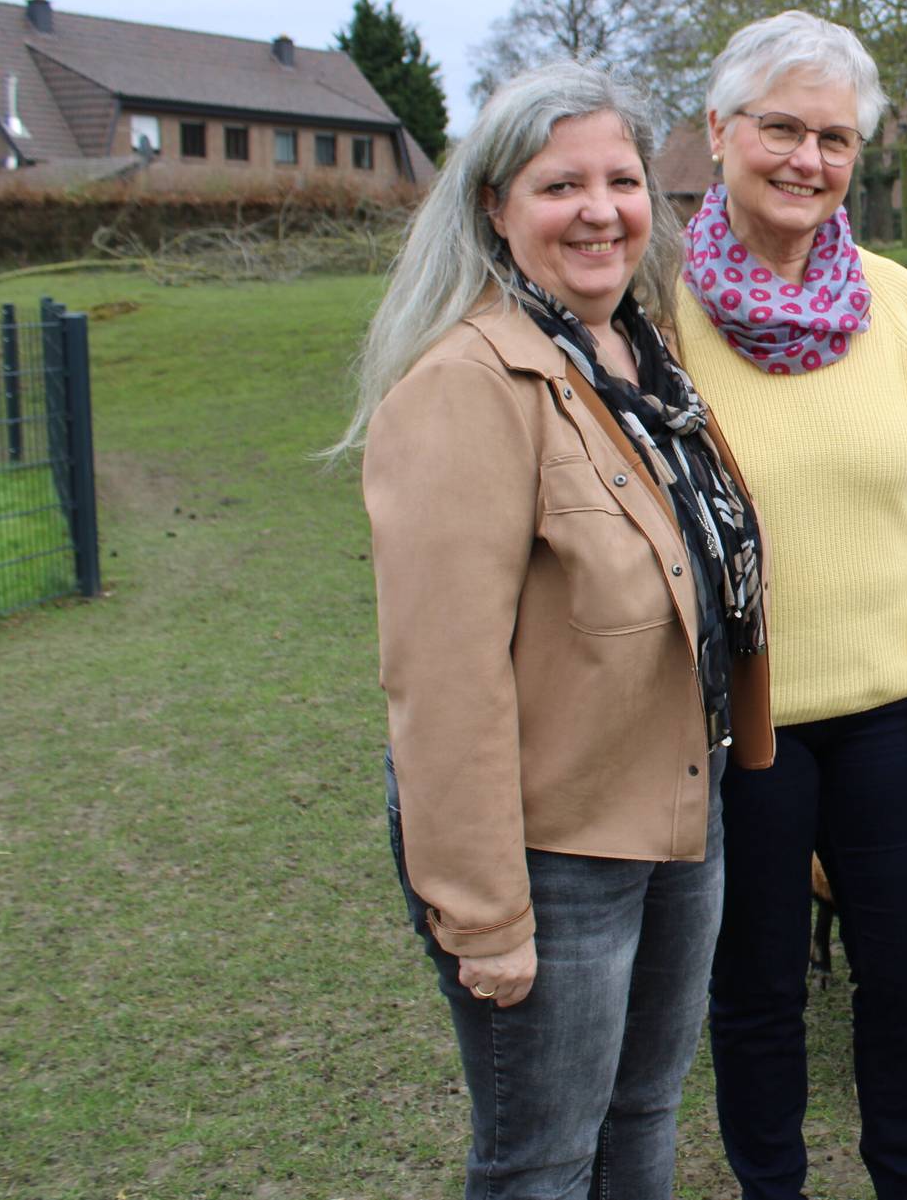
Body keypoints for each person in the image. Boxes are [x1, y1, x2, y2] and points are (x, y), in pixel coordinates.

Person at [340, 61, 771, 1199]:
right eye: (558, 183)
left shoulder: (640, 356)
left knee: (643, 1119)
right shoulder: (467, 385)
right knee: (541, 1159)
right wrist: (485, 915)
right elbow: (441, 682)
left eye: (622, 179)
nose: (599, 209)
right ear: (495, 205)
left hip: (681, 812)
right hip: (552, 850)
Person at [675, 10, 907, 1200]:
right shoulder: (658, 314)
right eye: (781, 128)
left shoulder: (898, 300)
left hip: (891, 722)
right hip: (732, 725)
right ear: (719, 131)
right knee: (754, 987)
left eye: (835, 137)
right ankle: (773, 1186)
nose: (807, 159)